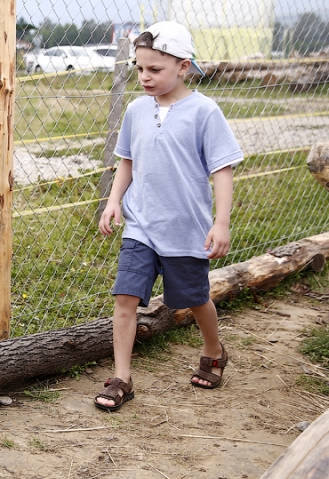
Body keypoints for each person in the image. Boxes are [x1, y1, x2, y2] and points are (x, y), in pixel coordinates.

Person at [95, 20, 243, 411]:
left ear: (183, 66)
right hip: (141, 225)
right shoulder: (135, 110)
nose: (145, 77)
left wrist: (221, 222)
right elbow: (126, 161)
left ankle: (214, 349)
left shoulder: (204, 112)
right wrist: (114, 202)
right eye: (140, 69)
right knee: (125, 298)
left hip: (185, 230)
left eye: (155, 70)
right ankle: (122, 378)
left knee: (195, 300)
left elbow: (222, 170)